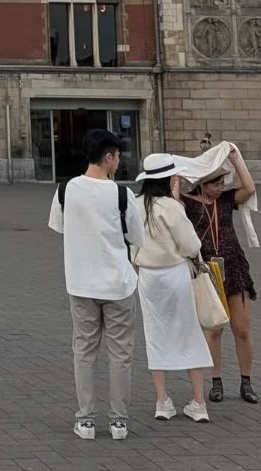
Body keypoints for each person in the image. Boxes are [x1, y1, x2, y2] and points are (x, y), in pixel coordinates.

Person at [48, 129, 146, 441]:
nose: (119, 161)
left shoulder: (65, 190)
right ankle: (119, 421)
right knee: (121, 354)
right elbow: (136, 237)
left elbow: (60, 227)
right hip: (118, 283)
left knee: (84, 351)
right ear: (108, 157)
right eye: (117, 156)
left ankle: (86, 420)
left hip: (80, 284)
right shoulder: (122, 194)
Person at [132, 155, 212, 423]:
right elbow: (191, 245)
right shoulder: (171, 207)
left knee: (155, 334)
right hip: (174, 274)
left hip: (148, 276)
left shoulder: (136, 204)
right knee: (188, 331)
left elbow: (129, 243)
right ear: (168, 179)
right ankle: (199, 401)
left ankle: (162, 401)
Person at [182, 144, 259, 404]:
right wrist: (176, 177)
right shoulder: (189, 204)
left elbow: (249, 189)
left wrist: (237, 160)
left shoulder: (226, 200)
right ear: (202, 184)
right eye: (215, 183)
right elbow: (171, 204)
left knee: (242, 328)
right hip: (207, 270)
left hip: (233, 267)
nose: (219, 187)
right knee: (214, 330)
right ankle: (216, 382)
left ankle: (246, 382)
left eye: (222, 182)